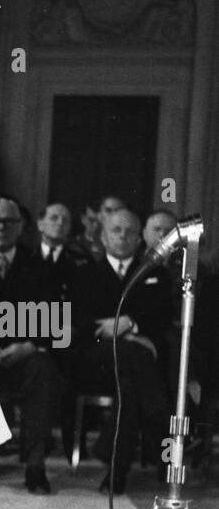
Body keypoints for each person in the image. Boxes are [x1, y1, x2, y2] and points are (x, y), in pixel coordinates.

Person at [70, 206, 171, 493]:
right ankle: (159, 419)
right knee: (133, 357)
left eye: (130, 231)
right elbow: (78, 319)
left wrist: (131, 323)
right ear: (103, 237)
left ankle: (117, 467)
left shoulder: (155, 274)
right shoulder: (86, 273)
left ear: (140, 239)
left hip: (134, 366)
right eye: (116, 230)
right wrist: (117, 328)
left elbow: (161, 316)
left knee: (129, 381)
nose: (123, 236)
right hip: (98, 358)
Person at [0, 195, 60, 493]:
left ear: (20, 227)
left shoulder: (39, 266)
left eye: (9, 221)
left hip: (24, 356)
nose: (1, 227)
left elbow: (54, 322)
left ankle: (36, 465)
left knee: (42, 368)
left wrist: (28, 345)